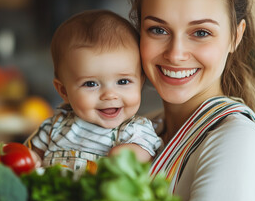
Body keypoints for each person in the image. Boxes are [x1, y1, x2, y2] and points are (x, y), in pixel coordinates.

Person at [129, 0, 255, 201]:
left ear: (235, 36)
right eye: (158, 29)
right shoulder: (147, 128)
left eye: (201, 32)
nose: (175, 53)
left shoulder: (239, 143)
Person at [25, 10, 162, 174]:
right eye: (91, 84)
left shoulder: (133, 130)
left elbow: (146, 155)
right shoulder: (54, 127)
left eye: (123, 81)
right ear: (64, 91)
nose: (109, 95)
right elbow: (31, 156)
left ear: (140, 82)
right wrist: (32, 159)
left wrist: (127, 154)